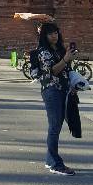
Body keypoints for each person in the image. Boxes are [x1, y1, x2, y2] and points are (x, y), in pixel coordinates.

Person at [36, 21, 77, 175]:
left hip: (63, 89)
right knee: (54, 126)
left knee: (56, 126)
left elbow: (66, 70)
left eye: (56, 33)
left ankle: (49, 159)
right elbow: (52, 71)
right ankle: (55, 164)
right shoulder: (43, 51)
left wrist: (73, 85)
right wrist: (66, 59)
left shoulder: (59, 49)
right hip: (51, 90)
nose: (54, 36)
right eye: (50, 33)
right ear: (44, 36)